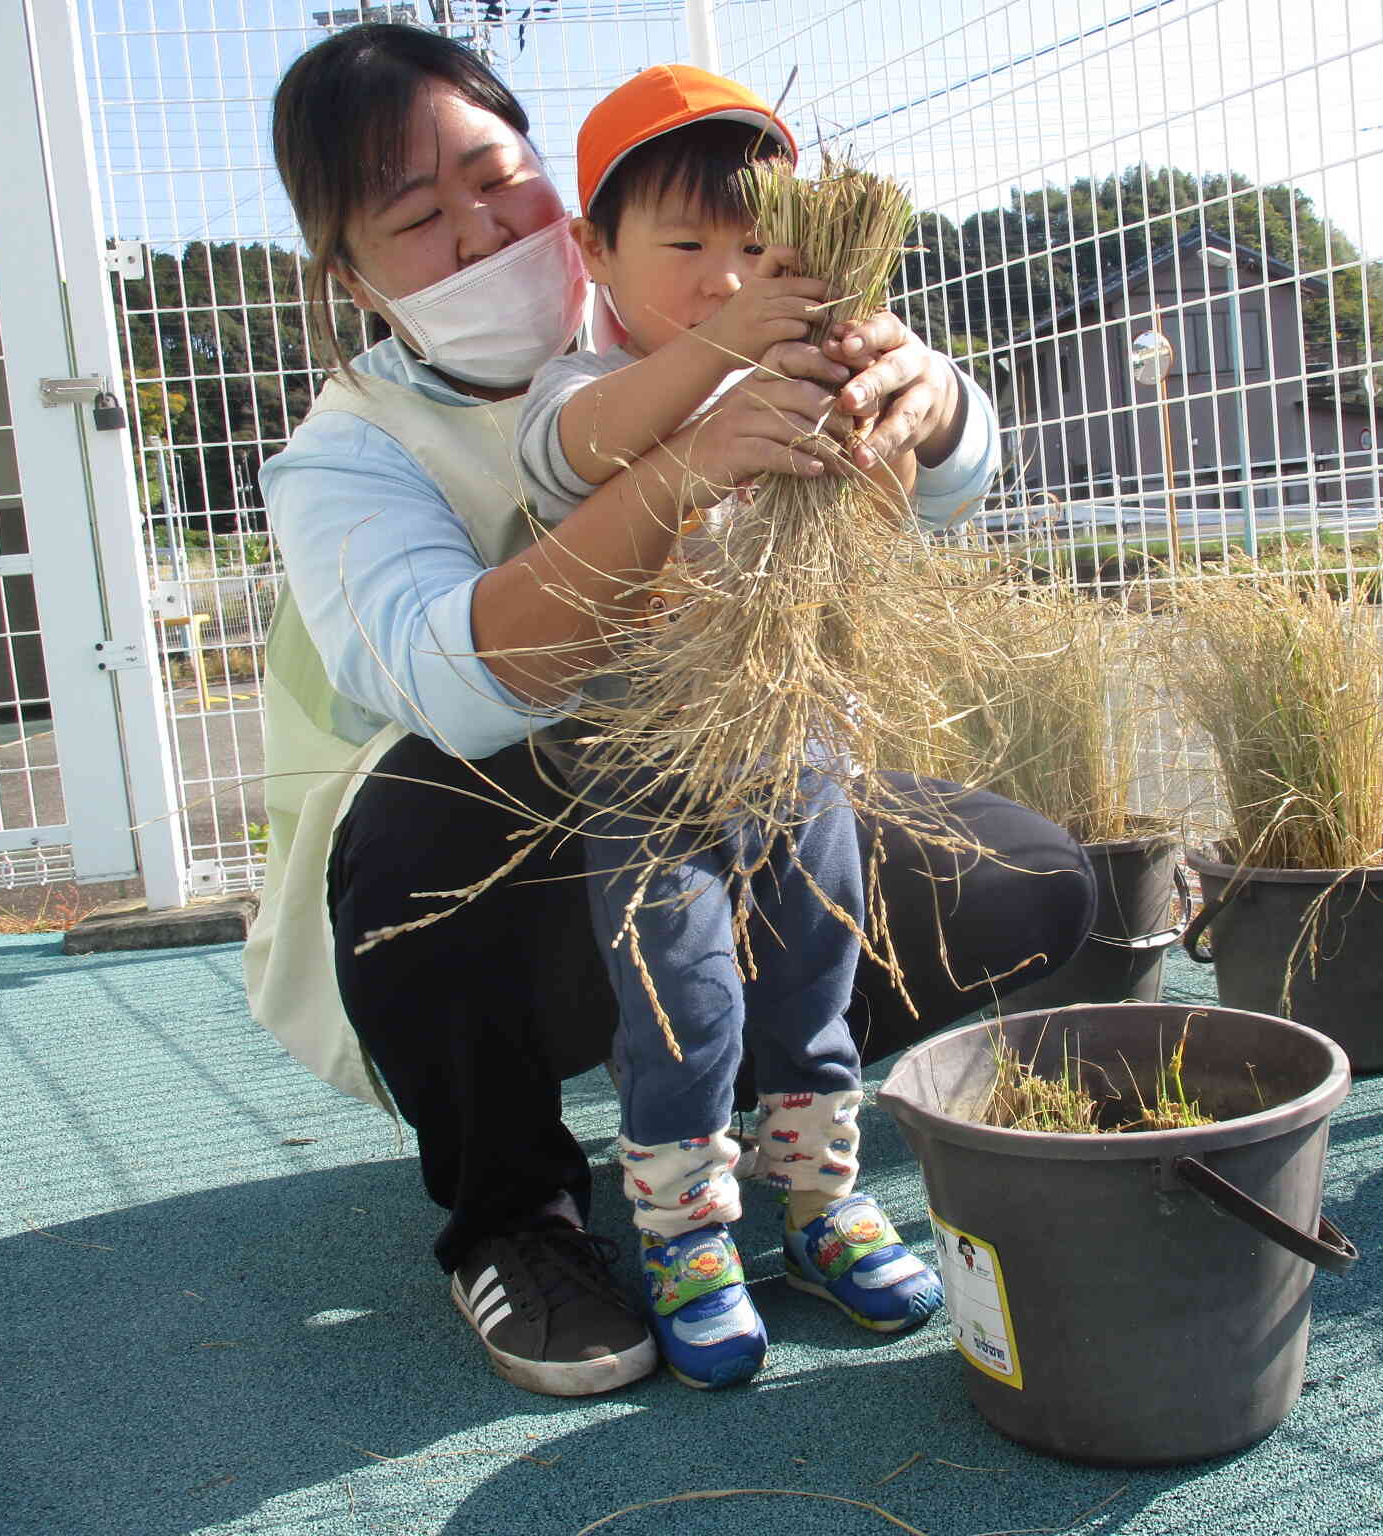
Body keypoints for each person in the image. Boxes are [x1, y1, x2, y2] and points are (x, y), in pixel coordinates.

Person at [247, 23, 1095, 1401]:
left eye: (495, 177)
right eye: (416, 219)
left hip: (750, 792)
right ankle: (517, 1213)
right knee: (428, 817)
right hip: (486, 887)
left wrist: (930, 403)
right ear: (348, 276)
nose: (478, 235)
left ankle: (782, 1136)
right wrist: (687, 467)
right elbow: (468, 680)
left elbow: (936, 478)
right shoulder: (349, 453)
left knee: (1027, 881)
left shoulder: (672, 287)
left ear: (567, 212)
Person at [507, 64, 942, 1392]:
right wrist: (740, 339)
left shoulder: (814, 375)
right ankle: (691, 1240)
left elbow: (878, 516)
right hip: (648, 768)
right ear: (595, 250)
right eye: (685, 245)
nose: (722, 275)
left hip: (800, 744)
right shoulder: (580, 388)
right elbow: (582, 450)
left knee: (817, 983)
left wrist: (884, 443)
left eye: (755, 246)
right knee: (682, 999)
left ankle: (818, 1209)